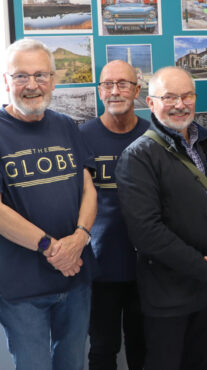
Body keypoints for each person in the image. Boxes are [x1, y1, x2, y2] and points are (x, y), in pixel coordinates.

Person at [0, 38, 97, 370]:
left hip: (76, 278)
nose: (31, 85)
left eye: (40, 75)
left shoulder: (66, 126)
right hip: (22, 288)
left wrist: (80, 238)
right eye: (21, 76)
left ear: (53, 80)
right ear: (6, 81)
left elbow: (89, 188)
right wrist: (52, 249)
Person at [114, 66, 207, 370]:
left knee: (203, 362)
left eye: (186, 96)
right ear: (150, 103)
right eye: (169, 97)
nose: (180, 104)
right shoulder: (138, 156)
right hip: (168, 297)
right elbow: (147, 233)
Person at [80, 60, 149, 370]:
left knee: (142, 348)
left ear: (137, 90)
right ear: (99, 91)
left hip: (146, 266)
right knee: (103, 348)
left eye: (123, 84)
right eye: (108, 84)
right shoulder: (82, 136)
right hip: (99, 266)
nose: (115, 91)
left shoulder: (153, 135)